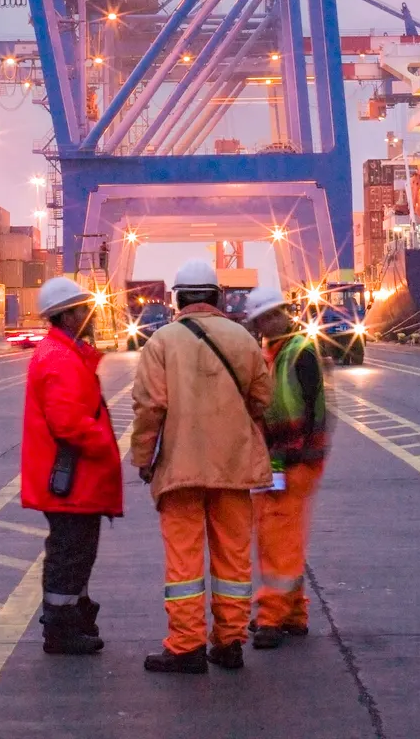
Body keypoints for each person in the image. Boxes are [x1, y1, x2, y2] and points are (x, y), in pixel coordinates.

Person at [130, 257, 272, 674]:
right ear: (218, 296)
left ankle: (186, 646)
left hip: (180, 468)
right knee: (233, 558)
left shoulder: (161, 342)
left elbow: (150, 408)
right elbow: (263, 399)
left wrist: (143, 459)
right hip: (233, 466)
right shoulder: (243, 339)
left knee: (184, 561)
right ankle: (229, 643)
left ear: (177, 298)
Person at [20, 274, 122, 656]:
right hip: (72, 479)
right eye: (85, 309)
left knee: (75, 552)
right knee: (70, 552)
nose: (91, 315)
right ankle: (61, 630)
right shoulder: (61, 359)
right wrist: (106, 446)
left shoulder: (62, 353)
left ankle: (73, 617)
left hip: (71, 478)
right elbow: (68, 422)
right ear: (66, 316)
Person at [242, 284, 328, 648]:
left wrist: (301, 452)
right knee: (282, 536)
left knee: (277, 538)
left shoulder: (298, 352)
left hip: (293, 459)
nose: (267, 323)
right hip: (278, 458)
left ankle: (271, 617)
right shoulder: (274, 352)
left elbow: (315, 411)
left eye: (271, 316)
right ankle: (294, 613)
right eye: (262, 319)